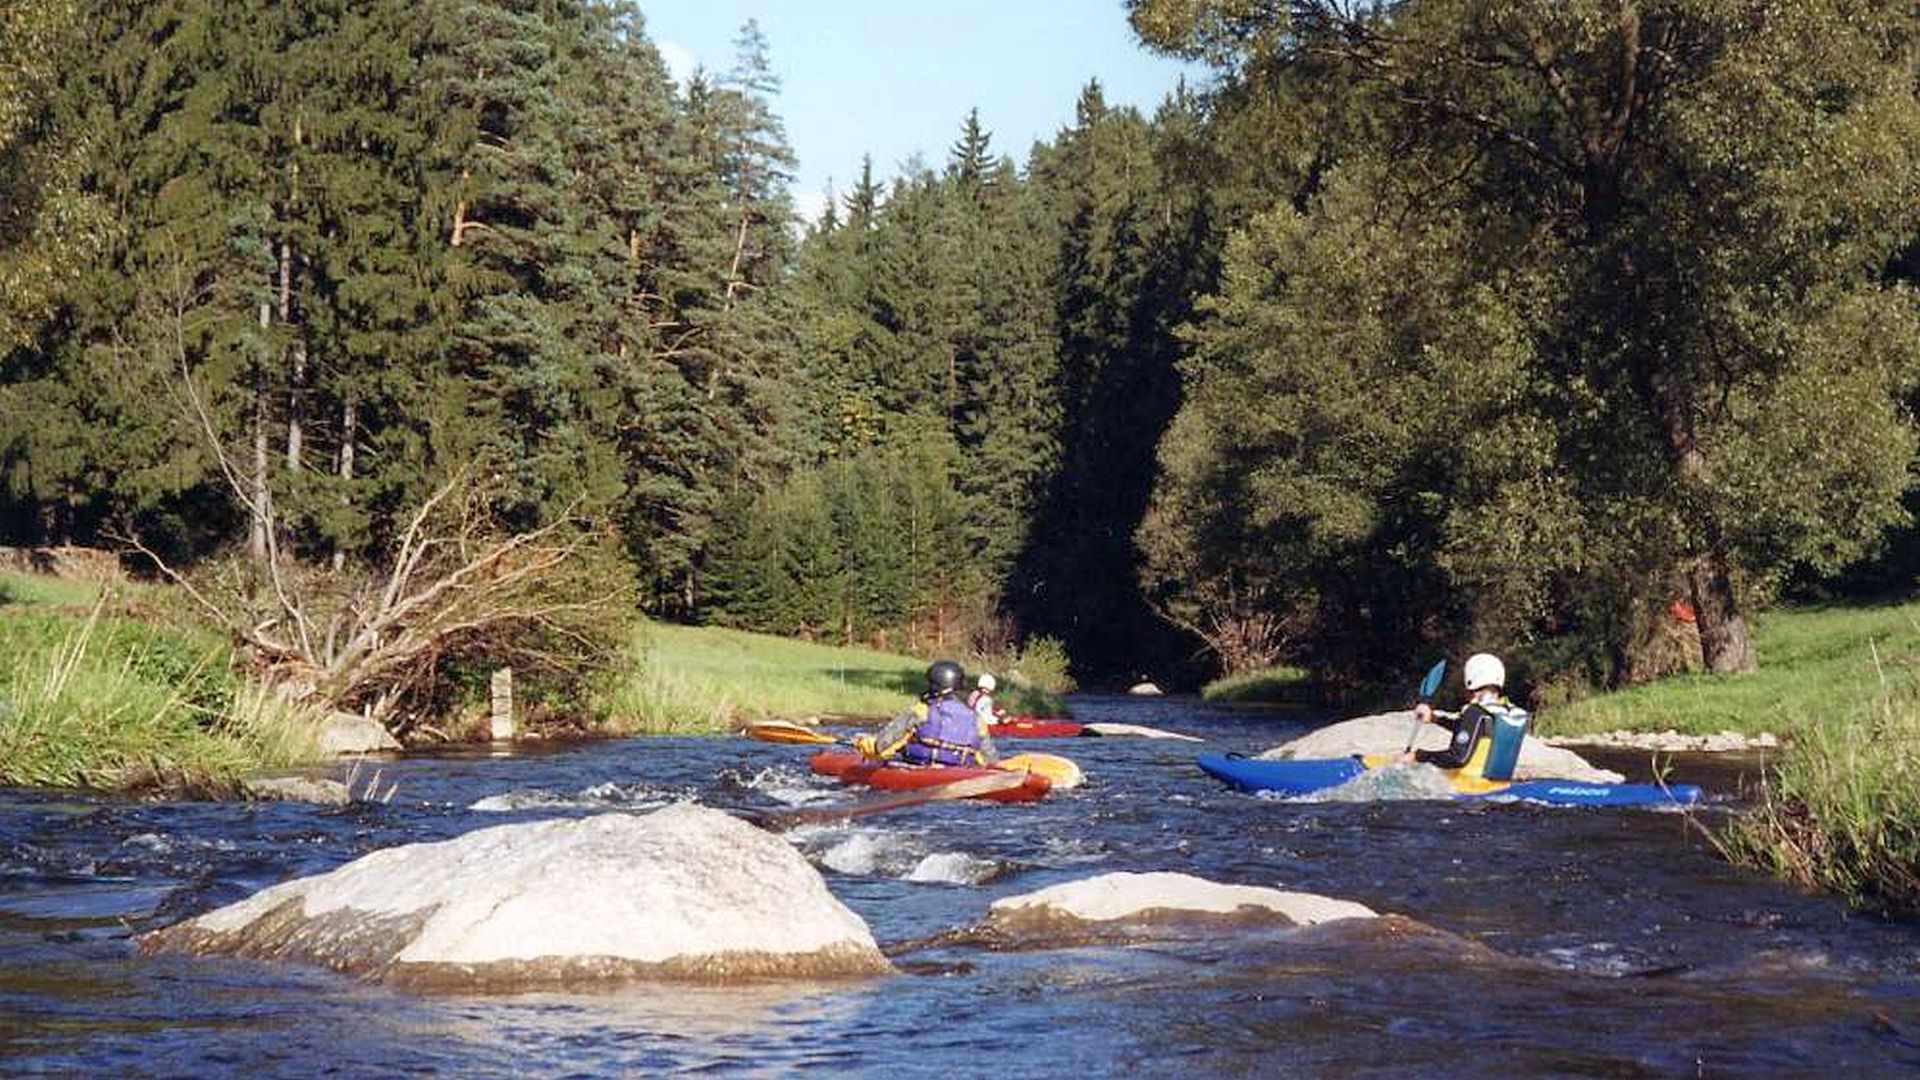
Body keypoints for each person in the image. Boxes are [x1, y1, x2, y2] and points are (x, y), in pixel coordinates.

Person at [1399, 652, 1530, 781]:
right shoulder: (1511, 712)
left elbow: (1458, 758)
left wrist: (1419, 756)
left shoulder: (1476, 712)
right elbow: (1472, 730)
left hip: (1468, 785)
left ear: (1472, 680)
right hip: (1498, 784)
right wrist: (1435, 719)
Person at [855, 660, 999, 766]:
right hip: (959, 773)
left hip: (919, 769)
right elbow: (990, 761)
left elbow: (882, 745)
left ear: (935, 686)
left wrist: (865, 743)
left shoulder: (921, 711)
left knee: (873, 761)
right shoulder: (977, 720)